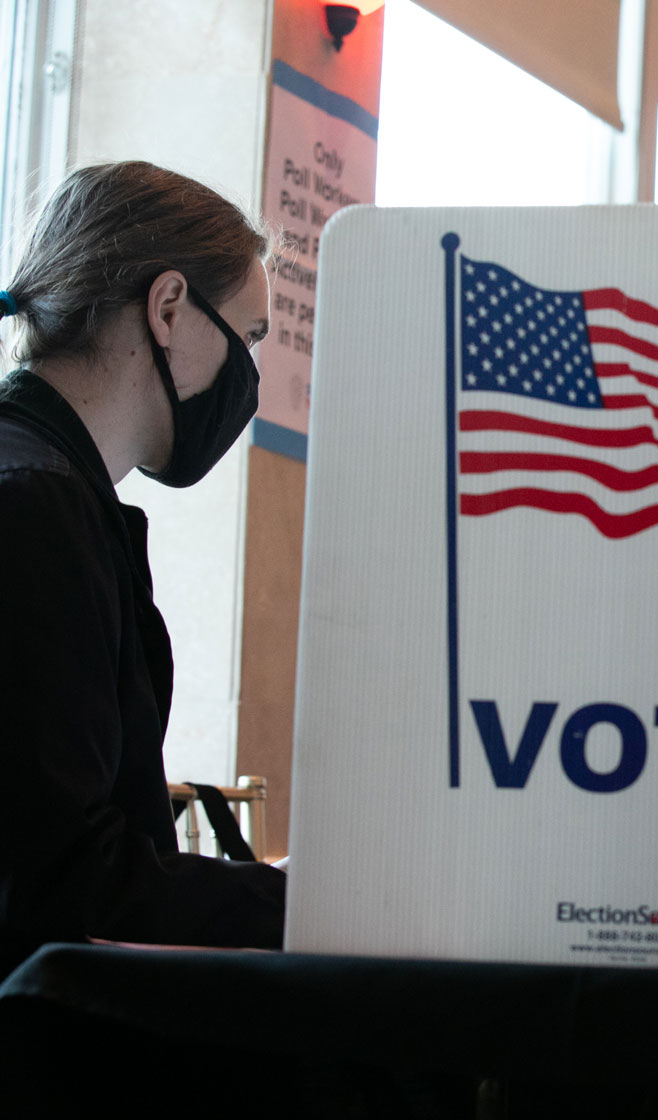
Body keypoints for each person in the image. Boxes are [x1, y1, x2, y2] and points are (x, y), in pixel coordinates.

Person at [0, 161, 285, 973]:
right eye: (249, 337)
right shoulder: (33, 507)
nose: (249, 376)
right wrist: (294, 904)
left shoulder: (54, 493)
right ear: (168, 308)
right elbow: (65, 885)